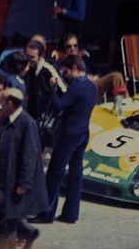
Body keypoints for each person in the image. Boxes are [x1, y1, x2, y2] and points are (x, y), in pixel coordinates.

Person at [30, 56, 97, 224]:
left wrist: (53, 88)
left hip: (69, 134)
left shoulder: (77, 86)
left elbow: (60, 105)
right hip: (83, 132)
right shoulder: (91, 86)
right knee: (76, 174)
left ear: (74, 68)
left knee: (55, 172)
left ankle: (46, 214)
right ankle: (70, 214)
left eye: (66, 71)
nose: (65, 75)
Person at [0, 88, 48, 249]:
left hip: (15, 180)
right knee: (7, 216)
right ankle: (28, 233)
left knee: (8, 218)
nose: (0, 105)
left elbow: (30, 155)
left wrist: (24, 182)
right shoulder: (7, 120)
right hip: (4, 176)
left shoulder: (26, 123)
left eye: (3, 101)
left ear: (10, 103)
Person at [52, 33, 128, 99]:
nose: (73, 49)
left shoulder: (84, 57)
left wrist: (96, 76)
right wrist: (85, 78)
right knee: (116, 76)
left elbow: (97, 70)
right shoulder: (63, 61)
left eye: (75, 45)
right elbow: (65, 79)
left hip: (94, 84)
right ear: (64, 48)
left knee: (117, 76)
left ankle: (125, 103)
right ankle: (124, 104)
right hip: (80, 89)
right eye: (69, 46)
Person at [25, 40, 66, 120]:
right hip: (32, 114)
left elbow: (64, 90)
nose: (29, 60)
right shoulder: (28, 69)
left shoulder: (48, 69)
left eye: (32, 57)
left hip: (46, 116)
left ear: (40, 56)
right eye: (27, 56)